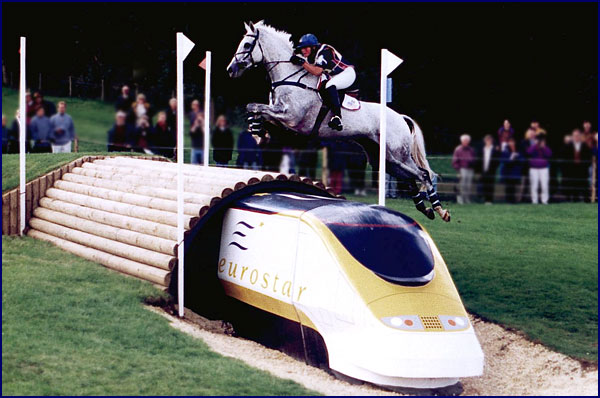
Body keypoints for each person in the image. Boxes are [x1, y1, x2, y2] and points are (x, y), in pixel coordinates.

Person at [291, 33, 356, 131]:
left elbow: (317, 71)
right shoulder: (311, 55)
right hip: (334, 75)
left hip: (347, 73)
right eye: (301, 48)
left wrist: (302, 62)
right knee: (321, 87)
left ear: (313, 47)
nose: (303, 50)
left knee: (330, 85)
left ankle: (337, 117)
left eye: (306, 48)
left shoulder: (324, 51)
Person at [561, 129, 592, 201]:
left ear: (580, 136)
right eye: (574, 136)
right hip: (571, 170)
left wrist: (585, 166)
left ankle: (586, 201)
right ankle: (574, 200)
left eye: (578, 135)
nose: (576, 137)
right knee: (572, 185)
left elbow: (588, 158)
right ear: (572, 136)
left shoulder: (585, 146)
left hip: (582, 170)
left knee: (583, 185)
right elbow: (564, 158)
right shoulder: (568, 146)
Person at [526, 133, 552, 204]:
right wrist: (535, 145)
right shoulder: (533, 147)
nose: (540, 141)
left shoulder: (545, 147)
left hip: (544, 168)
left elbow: (549, 154)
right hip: (533, 168)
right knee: (534, 185)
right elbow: (528, 152)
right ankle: (534, 201)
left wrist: (544, 147)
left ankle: (545, 201)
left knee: (544, 185)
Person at [452, 134, 476, 204]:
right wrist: (458, 170)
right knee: (462, 185)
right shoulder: (458, 149)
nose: (466, 142)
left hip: (470, 169)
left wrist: (472, 162)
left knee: (468, 185)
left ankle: (467, 199)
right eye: (464, 141)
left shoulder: (471, 150)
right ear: (461, 141)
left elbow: (474, 159)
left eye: (467, 141)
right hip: (462, 169)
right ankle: (461, 200)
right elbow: (455, 161)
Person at [500, 137, 524, 203]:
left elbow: (522, 160)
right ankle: (508, 200)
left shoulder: (518, 150)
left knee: (513, 186)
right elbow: (503, 160)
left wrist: (517, 157)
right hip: (507, 171)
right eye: (510, 142)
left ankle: (513, 200)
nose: (511, 143)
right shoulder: (505, 150)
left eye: (513, 142)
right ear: (508, 143)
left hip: (515, 172)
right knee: (508, 186)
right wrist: (511, 159)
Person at [478, 134, 500, 204]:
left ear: (491, 141)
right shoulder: (482, 149)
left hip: (491, 170)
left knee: (491, 185)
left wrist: (494, 168)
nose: (488, 142)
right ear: (485, 141)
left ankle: (490, 200)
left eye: (489, 140)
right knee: (484, 185)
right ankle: (485, 199)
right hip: (483, 170)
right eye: (487, 140)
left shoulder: (494, 150)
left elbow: (497, 160)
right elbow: (479, 160)